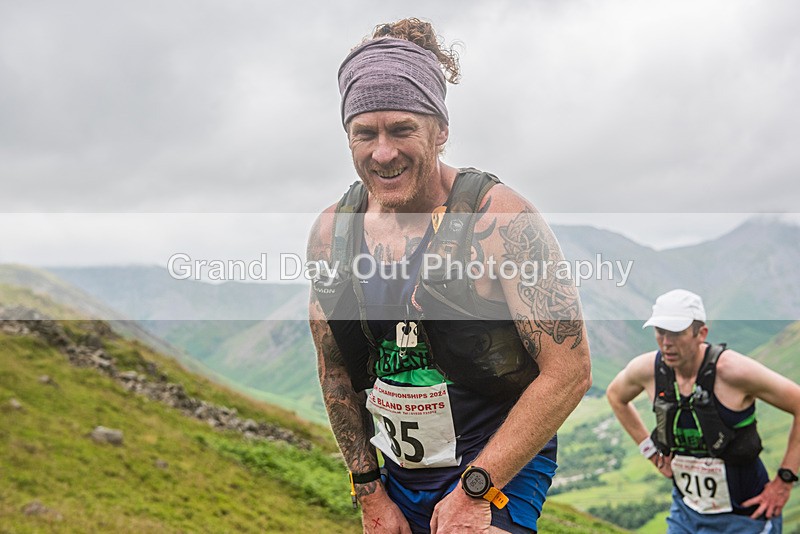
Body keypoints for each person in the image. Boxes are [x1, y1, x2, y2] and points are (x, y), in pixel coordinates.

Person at [306, 18, 591, 534]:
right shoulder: (333, 232)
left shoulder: (498, 218)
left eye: (402, 130)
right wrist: (368, 492)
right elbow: (335, 374)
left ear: (440, 131)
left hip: (496, 466)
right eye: (364, 133)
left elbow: (568, 370)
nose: (383, 152)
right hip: (397, 474)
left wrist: (476, 488)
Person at [607, 289, 800, 533]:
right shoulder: (647, 369)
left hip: (747, 517)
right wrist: (651, 451)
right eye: (660, 331)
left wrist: (784, 481)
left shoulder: (734, 371)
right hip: (685, 513)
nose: (666, 342)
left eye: (676, 333)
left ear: (702, 334)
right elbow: (615, 396)